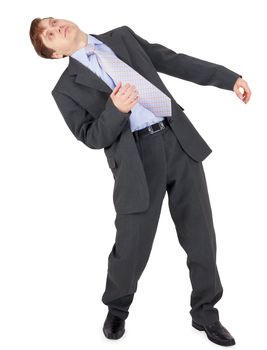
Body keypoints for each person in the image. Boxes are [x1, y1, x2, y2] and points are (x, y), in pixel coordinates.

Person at [29, 17, 251, 346]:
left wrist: (228, 78)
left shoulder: (121, 37)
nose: (55, 26)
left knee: (200, 234)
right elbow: (91, 136)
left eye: (52, 20)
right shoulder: (65, 90)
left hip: (178, 141)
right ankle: (117, 307)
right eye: (48, 34)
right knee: (131, 244)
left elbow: (172, 60)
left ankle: (205, 313)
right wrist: (115, 110)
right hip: (135, 160)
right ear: (54, 55)